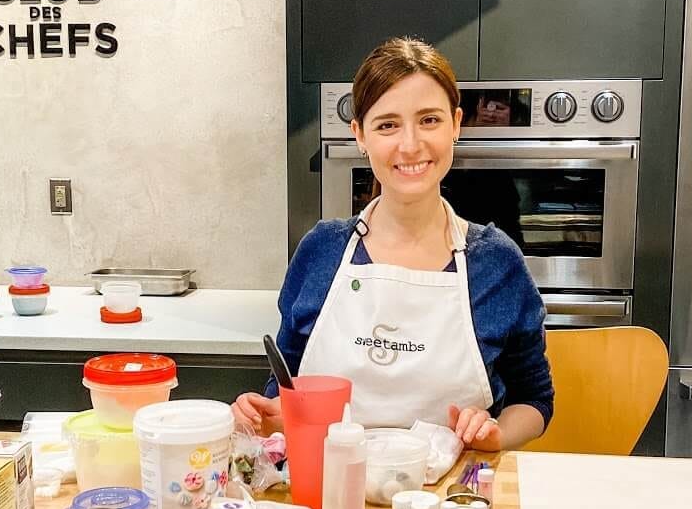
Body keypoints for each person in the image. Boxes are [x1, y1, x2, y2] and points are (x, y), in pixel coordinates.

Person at [233, 38, 553, 450]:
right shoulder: (321, 251)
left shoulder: (495, 262)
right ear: (359, 135)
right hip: (329, 496)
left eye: (429, 120)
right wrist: (270, 415)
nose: (410, 144)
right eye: (387, 125)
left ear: (456, 124)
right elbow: (285, 383)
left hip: (452, 503)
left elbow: (533, 399)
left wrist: (496, 434)